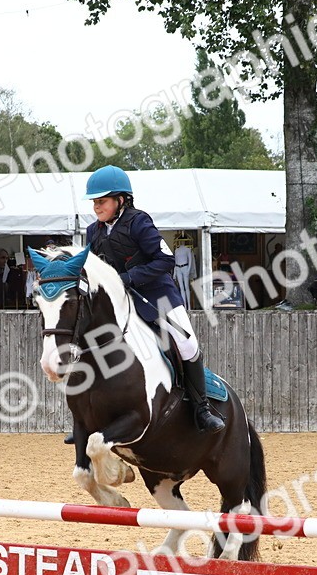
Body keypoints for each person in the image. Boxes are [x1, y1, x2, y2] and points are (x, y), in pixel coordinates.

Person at [83, 165, 224, 433]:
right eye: (94, 202)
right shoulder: (94, 232)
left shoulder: (139, 222)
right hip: (124, 302)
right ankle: (89, 417)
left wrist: (129, 278)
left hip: (158, 297)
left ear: (120, 200)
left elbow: (166, 260)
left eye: (101, 201)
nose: (96, 207)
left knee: (187, 345)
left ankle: (201, 409)